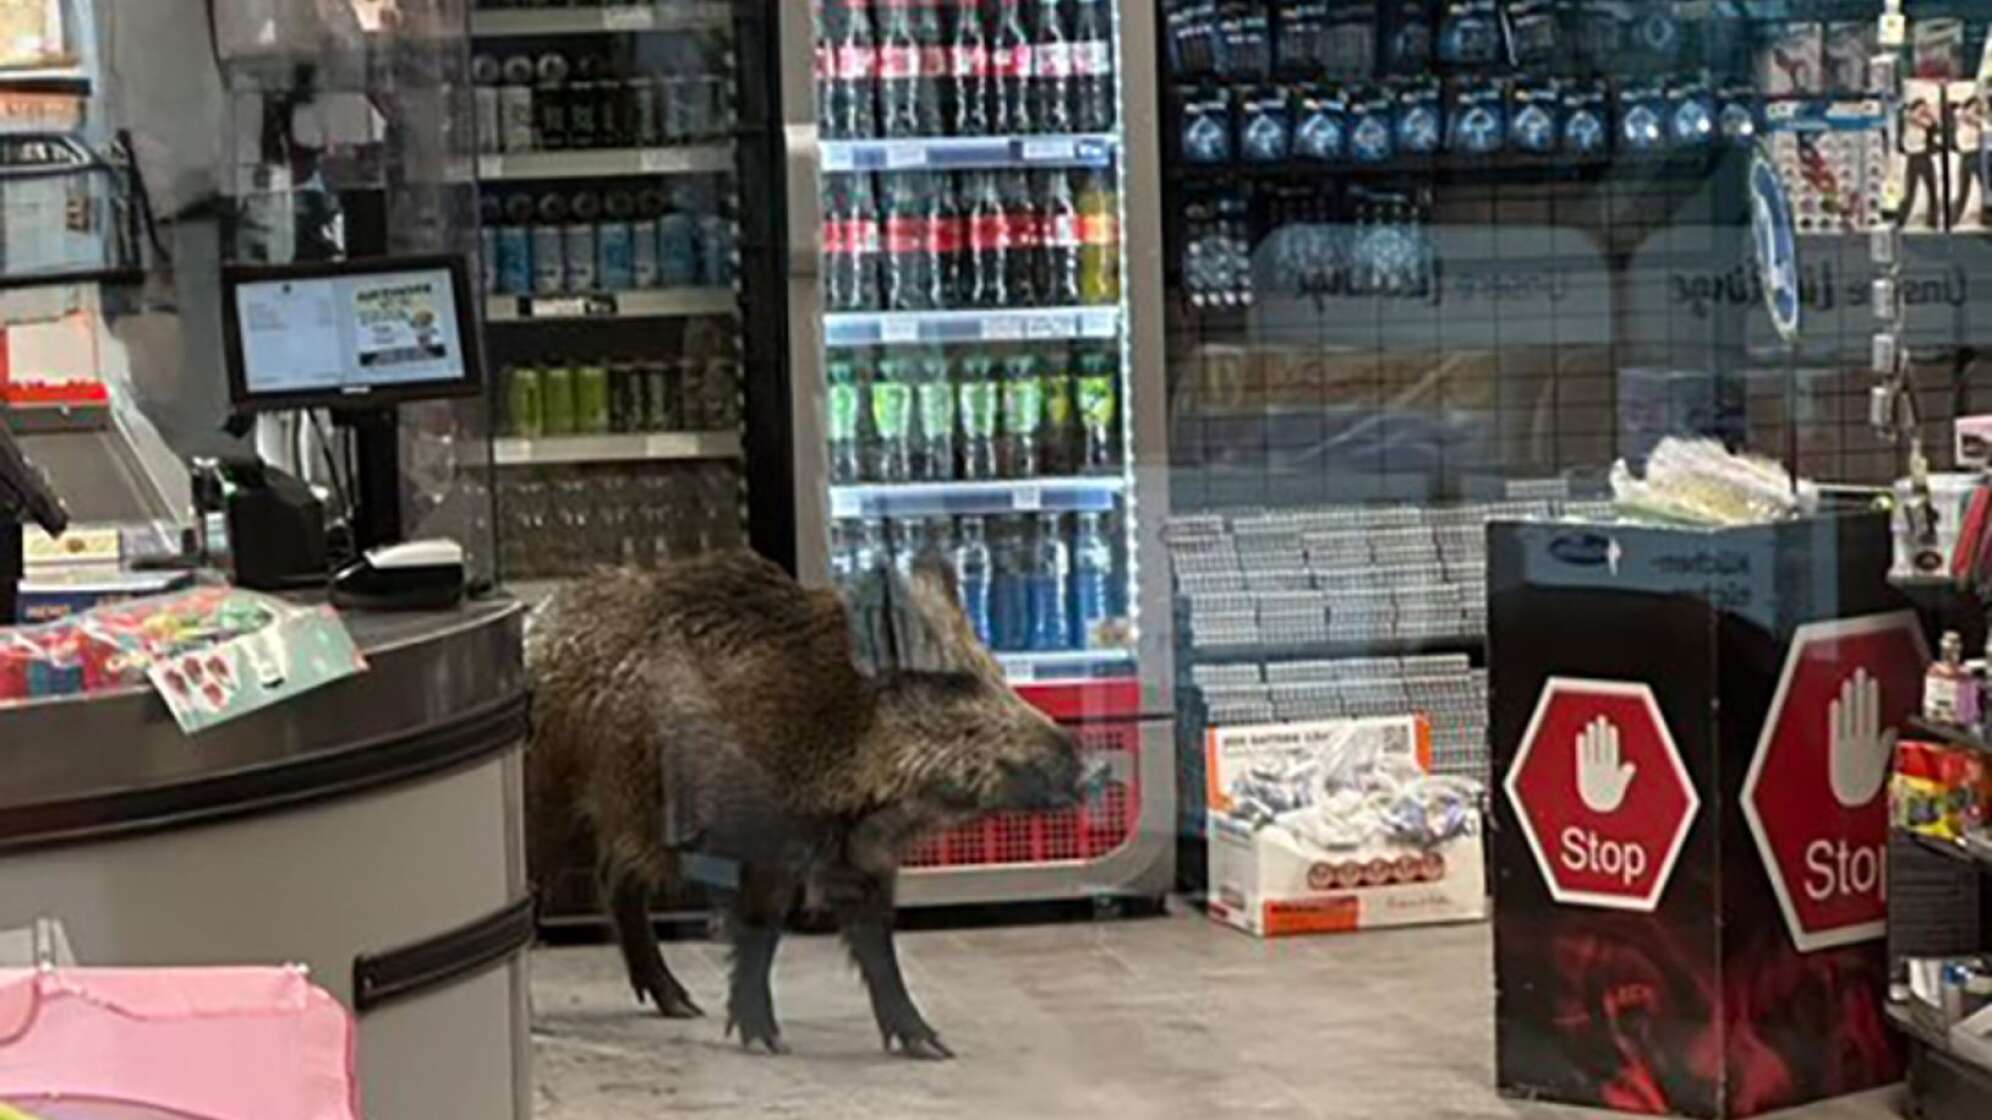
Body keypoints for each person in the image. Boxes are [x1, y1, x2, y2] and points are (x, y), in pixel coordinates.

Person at [1899, 96, 1942, 231]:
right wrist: (1922, 111)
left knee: (1932, 188)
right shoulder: (1908, 116)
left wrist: (1930, 113)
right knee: (1910, 191)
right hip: (1913, 156)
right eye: (1921, 107)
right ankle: (1901, 219)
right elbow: (1912, 117)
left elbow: (1934, 126)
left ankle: (1933, 220)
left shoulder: (1925, 120)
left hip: (1924, 155)